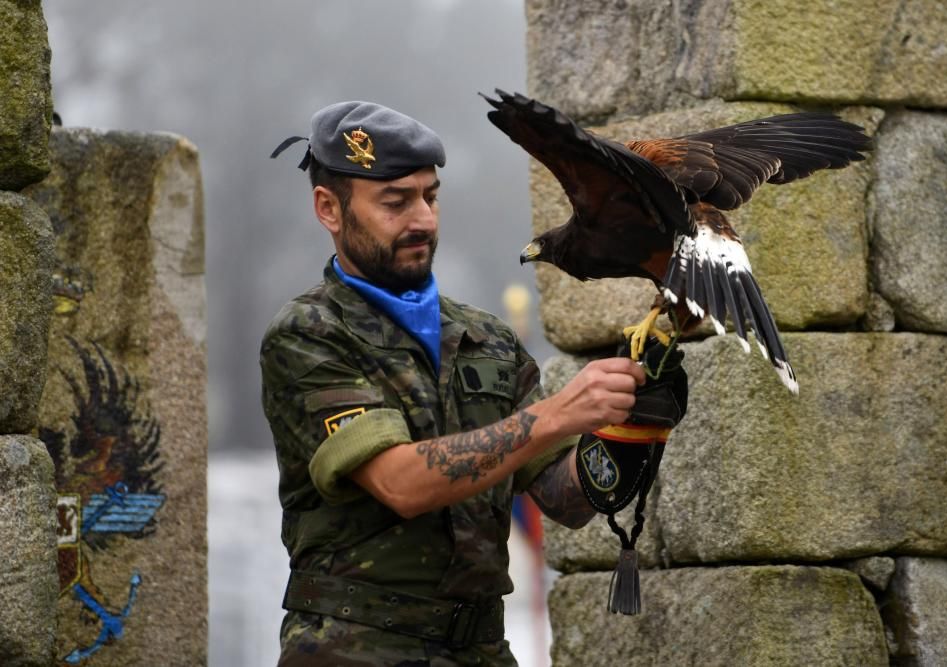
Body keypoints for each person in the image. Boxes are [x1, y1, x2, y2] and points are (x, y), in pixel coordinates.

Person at [261, 101, 686, 665]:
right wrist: (556, 413)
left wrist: (629, 420)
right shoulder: (308, 334)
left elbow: (567, 499)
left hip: (483, 649)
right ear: (329, 209)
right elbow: (401, 482)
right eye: (395, 202)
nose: (423, 220)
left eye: (430, 196)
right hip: (354, 647)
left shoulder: (489, 338)